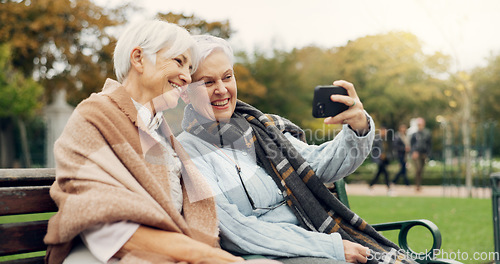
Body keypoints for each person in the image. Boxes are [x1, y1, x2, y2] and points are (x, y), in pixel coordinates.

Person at [178, 35, 415, 264]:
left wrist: (358, 126)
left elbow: (323, 163)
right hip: (273, 255)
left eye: (227, 77)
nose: (221, 89)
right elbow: (237, 230)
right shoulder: (186, 151)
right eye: (208, 82)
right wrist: (331, 247)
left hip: (319, 240)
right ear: (185, 92)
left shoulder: (262, 128)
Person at [43, 20, 251, 264]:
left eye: (190, 67)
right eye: (178, 61)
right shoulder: (95, 117)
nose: (186, 77)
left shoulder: (160, 133)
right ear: (139, 59)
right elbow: (110, 231)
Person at [410, 117, 432, 192]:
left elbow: (429, 145)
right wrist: (413, 152)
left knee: (421, 170)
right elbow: (411, 145)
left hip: (423, 154)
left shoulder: (427, 133)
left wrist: (428, 154)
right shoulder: (414, 135)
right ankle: (417, 185)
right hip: (416, 154)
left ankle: (419, 185)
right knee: (418, 169)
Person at [368, 127, 392, 195]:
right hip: (379, 159)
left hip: (384, 159)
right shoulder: (377, 138)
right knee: (385, 173)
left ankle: (371, 185)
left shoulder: (385, 139)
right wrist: (379, 155)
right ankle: (389, 188)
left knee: (379, 173)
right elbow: (374, 149)